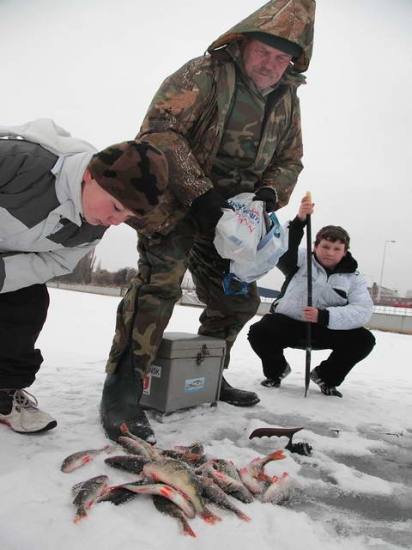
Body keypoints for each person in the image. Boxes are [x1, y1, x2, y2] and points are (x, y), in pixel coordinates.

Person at [100, 0, 316, 443]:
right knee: (160, 284)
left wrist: (268, 194)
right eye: (264, 52)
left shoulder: (288, 98)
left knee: (238, 301)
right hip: (178, 203)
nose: (271, 64)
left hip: (236, 222)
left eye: (282, 58)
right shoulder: (204, 73)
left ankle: (210, 371)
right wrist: (202, 196)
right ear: (243, 43)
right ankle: (123, 385)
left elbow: (290, 159)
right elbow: (160, 131)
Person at [0, 119, 168, 434]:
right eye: (116, 207)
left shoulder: (91, 228)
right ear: (90, 175)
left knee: (29, 302)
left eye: (127, 217)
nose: (115, 222)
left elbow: (50, 264)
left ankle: (3, 393)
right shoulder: (19, 160)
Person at [248, 195, 376, 398]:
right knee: (259, 331)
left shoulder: (354, 279)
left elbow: (362, 311)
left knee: (363, 340)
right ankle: (276, 371)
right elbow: (282, 250)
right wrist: (299, 222)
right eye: (325, 247)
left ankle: (326, 377)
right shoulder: (299, 260)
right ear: (315, 246)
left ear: (344, 252)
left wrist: (323, 316)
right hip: (289, 323)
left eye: (336, 249)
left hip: (325, 327)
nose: (330, 253)